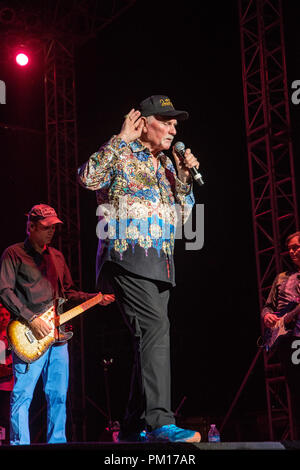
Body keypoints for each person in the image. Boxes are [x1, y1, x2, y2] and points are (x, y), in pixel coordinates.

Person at [78, 94, 201, 442]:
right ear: (144, 122)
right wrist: (119, 140)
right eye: (168, 121)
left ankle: (133, 425)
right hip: (126, 257)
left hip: (160, 263)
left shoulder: (166, 165)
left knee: (147, 337)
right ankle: (160, 421)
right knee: (155, 329)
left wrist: (184, 177)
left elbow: (184, 220)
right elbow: (87, 178)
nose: (174, 128)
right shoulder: (122, 153)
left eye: (176, 122)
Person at [0, 203, 114, 445]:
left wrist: (95, 298)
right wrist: (31, 319)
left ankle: (57, 444)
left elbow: (69, 292)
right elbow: (4, 291)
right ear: (30, 227)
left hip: (58, 337)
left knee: (58, 395)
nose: (51, 232)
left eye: (54, 227)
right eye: (45, 227)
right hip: (28, 333)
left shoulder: (58, 257)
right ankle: (20, 445)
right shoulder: (13, 253)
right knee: (22, 395)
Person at [262, 231, 300, 439]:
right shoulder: (282, 277)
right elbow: (268, 306)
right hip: (287, 340)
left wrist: (287, 319)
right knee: (294, 387)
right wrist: (267, 316)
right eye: (290, 248)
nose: (292, 251)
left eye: (296, 246)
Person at [0, 303, 13, 444]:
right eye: (1, 315)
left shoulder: (12, 335)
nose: (3, 318)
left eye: (6, 315)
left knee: (6, 417)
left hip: (8, 386)